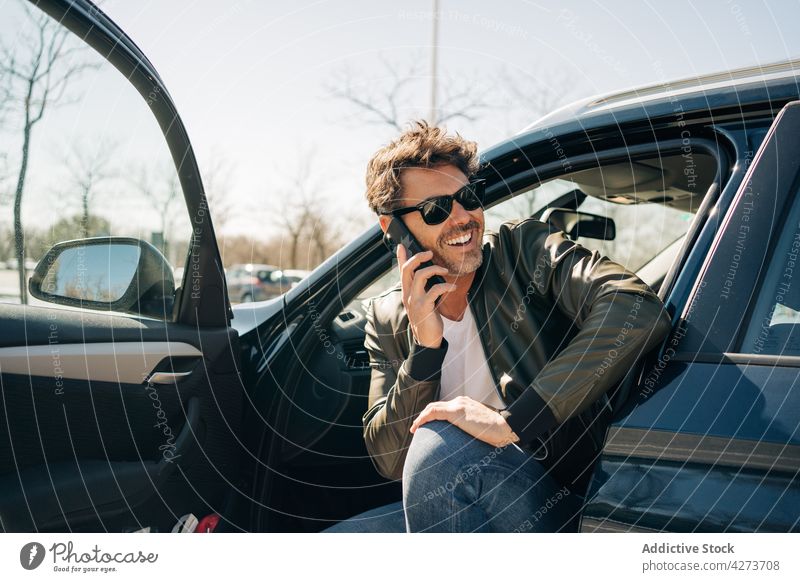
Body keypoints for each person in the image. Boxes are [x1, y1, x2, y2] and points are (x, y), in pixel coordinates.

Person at [324, 121, 672, 533]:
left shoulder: (524, 253)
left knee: (441, 452)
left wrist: (513, 422)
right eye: (436, 209)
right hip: (447, 497)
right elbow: (391, 459)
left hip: (554, 498)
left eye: (468, 197)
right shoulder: (386, 318)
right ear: (393, 228)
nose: (462, 218)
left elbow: (635, 306)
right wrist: (426, 350)